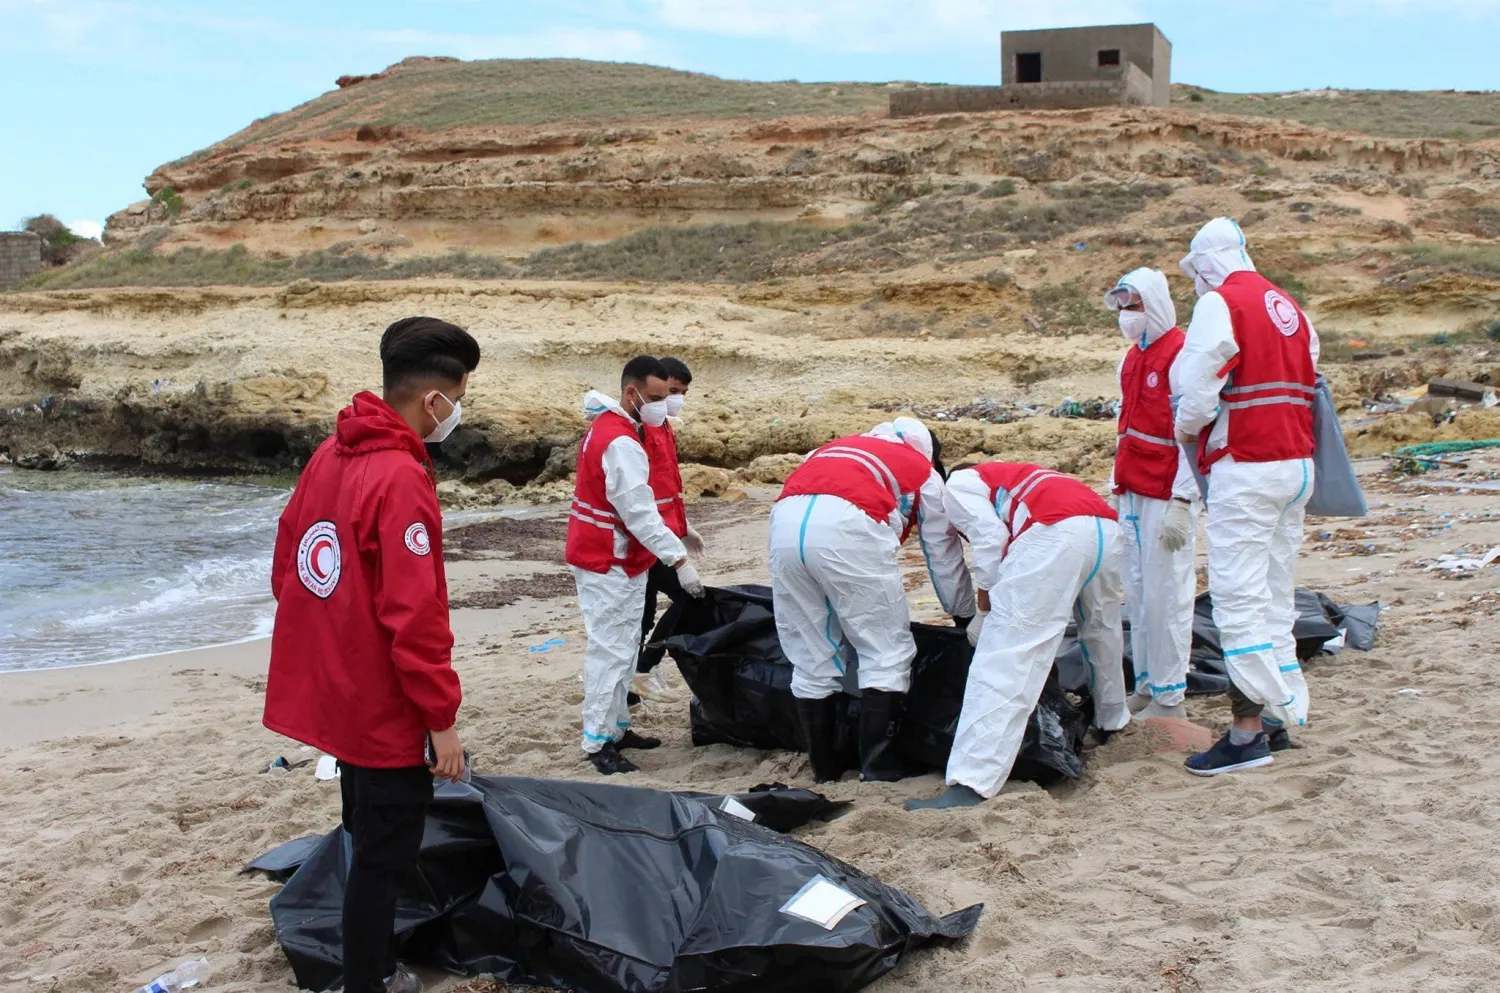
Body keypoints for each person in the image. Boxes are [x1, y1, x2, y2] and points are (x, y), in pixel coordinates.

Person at [263, 316, 478, 993]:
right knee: (384, 857)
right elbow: (416, 615)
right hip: (383, 703)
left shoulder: (332, 452)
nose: (458, 412)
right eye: (458, 398)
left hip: (339, 687)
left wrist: (330, 642)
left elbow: (289, 564)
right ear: (433, 399)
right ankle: (369, 978)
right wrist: (440, 719)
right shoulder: (399, 475)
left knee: (362, 831)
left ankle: (372, 965)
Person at [1175, 217, 1319, 775]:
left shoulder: (1222, 304)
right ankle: (1281, 715)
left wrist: (1188, 429)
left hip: (1248, 465)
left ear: (1206, 263)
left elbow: (1197, 387)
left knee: (1238, 600)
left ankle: (1246, 734)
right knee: (1276, 596)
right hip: (1296, 463)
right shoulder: (1290, 306)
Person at [906, 461, 1130, 810]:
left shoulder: (959, 484)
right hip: (1105, 529)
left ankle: (971, 782)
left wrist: (984, 610)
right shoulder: (1019, 475)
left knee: (1004, 658)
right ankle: (1112, 720)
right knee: (1101, 631)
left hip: (1054, 533)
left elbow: (990, 540)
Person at [768, 418, 974, 783]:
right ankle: (879, 766)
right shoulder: (921, 471)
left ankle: (824, 767)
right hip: (849, 529)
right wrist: (963, 615)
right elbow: (942, 555)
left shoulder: (831, 449)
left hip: (783, 527)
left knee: (812, 652)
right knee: (886, 651)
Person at [567, 355, 706, 775]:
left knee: (623, 646)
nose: (663, 405)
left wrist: (679, 530)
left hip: (614, 554)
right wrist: (678, 559)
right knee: (611, 651)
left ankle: (616, 728)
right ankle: (598, 741)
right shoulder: (622, 442)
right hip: (608, 557)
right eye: (657, 397)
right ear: (632, 393)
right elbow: (639, 512)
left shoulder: (613, 428)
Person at [1103, 268, 1200, 721]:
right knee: (1139, 593)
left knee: (1168, 593)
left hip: (1165, 490)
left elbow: (1192, 432)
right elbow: (1125, 426)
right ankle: (1146, 684)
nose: (1128, 314)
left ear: (1156, 305)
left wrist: (1184, 499)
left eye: (1135, 305)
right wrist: (1116, 486)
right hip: (1134, 489)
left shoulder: (1181, 356)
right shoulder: (1131, 360)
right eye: (1123, 306)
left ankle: (1170, 695)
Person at [632, 356, 704, 701]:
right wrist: (677, 555)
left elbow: (667, 485)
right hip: (646, 538)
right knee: (680, 601)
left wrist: (683, 526)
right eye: (671, 391)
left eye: (681, 393)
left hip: (663, 534)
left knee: (648, 615)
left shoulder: (664, 427)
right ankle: (643, 668)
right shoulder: (639, 429)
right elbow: (639, 492)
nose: (675, 400)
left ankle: (638, 677)